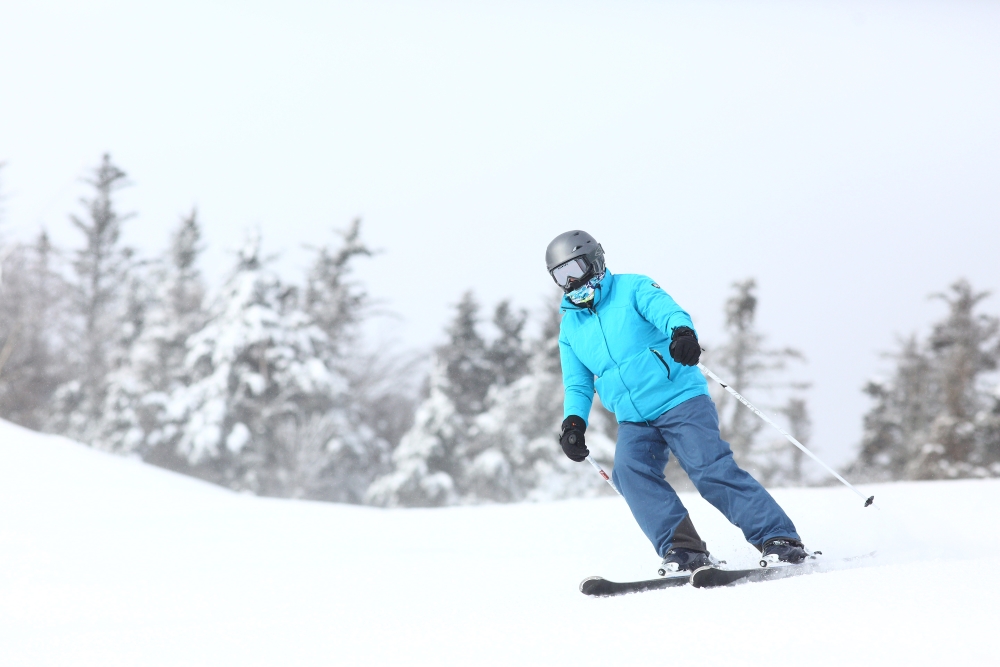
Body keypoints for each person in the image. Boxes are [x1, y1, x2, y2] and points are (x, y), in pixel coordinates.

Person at [546, 230, 808, 573]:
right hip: (633, 417)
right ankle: (683, 550)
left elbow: (668, 312)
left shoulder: (632, 287)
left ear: (594, 261)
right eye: (559, 276)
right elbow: (578, 384)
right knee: (629, 474)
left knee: (708, 467)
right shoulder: (571, 328)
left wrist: (682, 333)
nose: (569, 282)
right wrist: (573, 423)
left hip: (679, 398)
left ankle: (779, 538)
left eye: (574, 269)